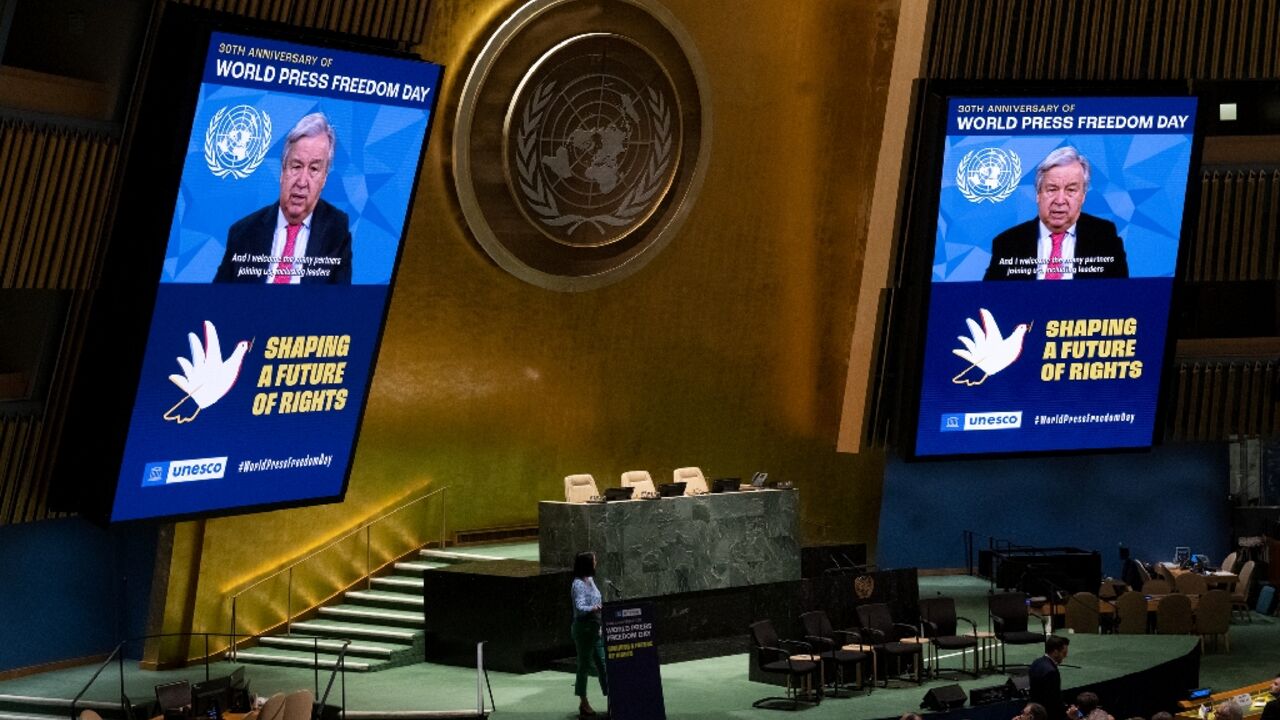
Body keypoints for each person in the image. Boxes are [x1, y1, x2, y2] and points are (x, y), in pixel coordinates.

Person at [215, 112, 352, 284]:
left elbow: (340, 299)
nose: (302, 182)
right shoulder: (242, 233)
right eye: (296, 166)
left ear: (324, 178)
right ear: (283, 171)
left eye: (314, 169)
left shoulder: (337, 231)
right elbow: (217, 297)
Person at [984, 146, 1128, 281]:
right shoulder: (1007, 243)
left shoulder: (1105, 237)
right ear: (1038, 194)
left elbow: (1121, 294)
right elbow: (989, 296)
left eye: (1071, 190)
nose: (1060, 201)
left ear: (1083, 196)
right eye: (1052, 189)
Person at [571, 551, 608, 717]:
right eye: (594, 560)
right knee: (584, 666)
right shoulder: (578, 584)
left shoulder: (590, 580)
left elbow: (597, 598)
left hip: (595, 627)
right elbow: (580, 608)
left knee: (603, 664)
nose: (596, 563)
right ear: (587, 564)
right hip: (584, 629)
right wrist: (593, 608)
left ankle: (611, 698)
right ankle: (583, 701)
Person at [1030, 635, 1070, 720]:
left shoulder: (1036, 662)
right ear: (1055, 652)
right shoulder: (1051, 671)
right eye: (1064, 653)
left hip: (1035, 710)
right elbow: (1054, 700)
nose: (1065, 656)